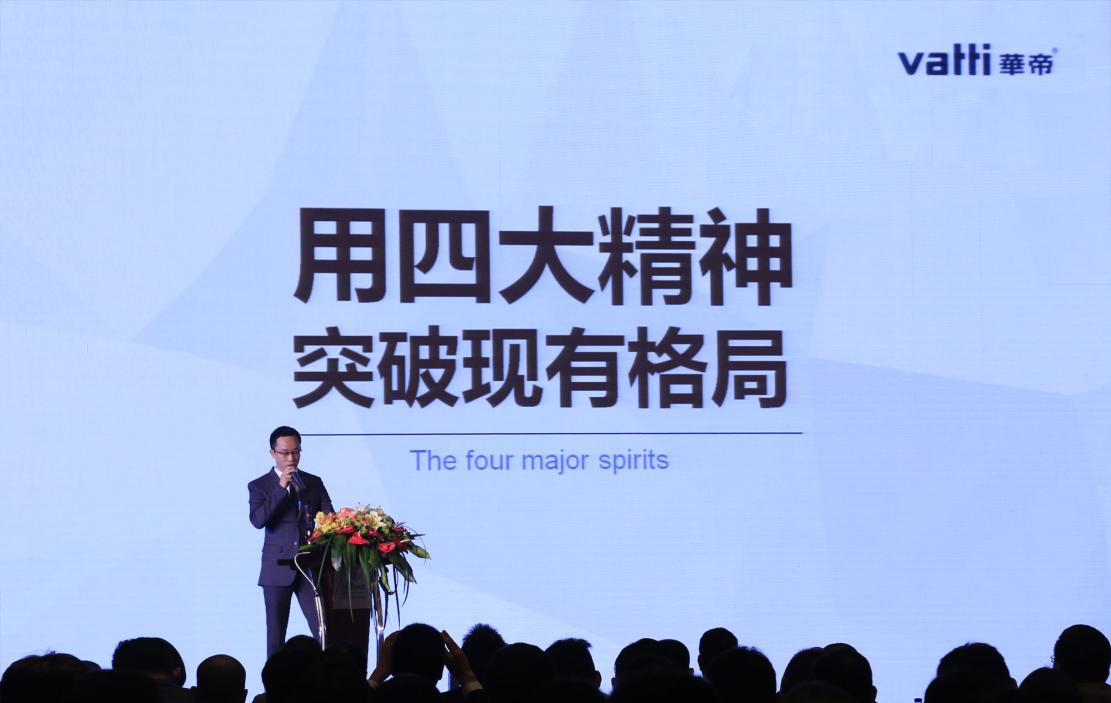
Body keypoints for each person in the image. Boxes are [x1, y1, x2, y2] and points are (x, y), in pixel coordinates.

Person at [249, 426, 334, 658]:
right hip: (277, 568)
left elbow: (330, 519)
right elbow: (258, 520)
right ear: (272, 453)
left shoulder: (313, 482)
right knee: (275, 637)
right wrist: (281, 488)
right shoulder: (259, 485)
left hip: (309, 567)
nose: (291, 458)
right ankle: (274, 681)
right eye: (285, 453)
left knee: (324, 630)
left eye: (296, 452)